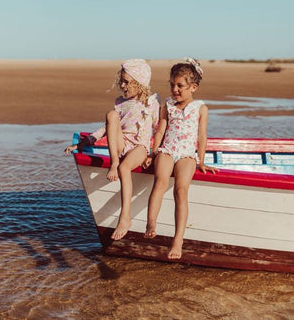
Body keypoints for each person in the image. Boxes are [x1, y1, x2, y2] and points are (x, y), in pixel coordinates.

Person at [64, 59, 160, 241]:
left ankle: (125, 218)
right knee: (111, 115)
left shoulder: (151, 103)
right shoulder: (121, 103)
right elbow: (106, 128)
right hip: (121, 144)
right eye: (121, 81)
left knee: (125, 169)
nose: (122, 85)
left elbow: (158, 129)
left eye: (127, 82)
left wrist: (153, 153)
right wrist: (83, 144)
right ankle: (114, 162)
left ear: (140, 83)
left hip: (140, 146)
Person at [144, 57, 217, 260]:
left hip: (187, 154)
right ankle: (151, 222)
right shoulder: (167, 105)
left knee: (181, 189)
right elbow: (160, 131)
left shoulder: (201, 108)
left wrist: (201, 161)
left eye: (180, 86)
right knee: (160, 180)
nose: (175, 89)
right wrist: (153, 152)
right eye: (172, 85)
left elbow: (202, 137)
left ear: (193, 87)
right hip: (167, 150)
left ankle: (178, 239)